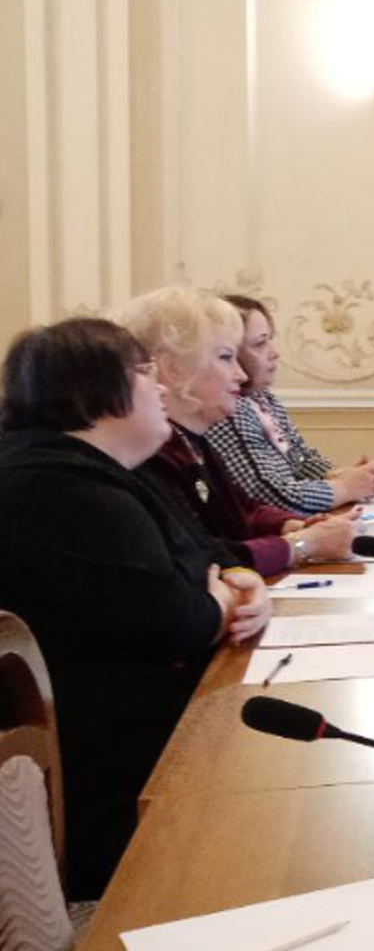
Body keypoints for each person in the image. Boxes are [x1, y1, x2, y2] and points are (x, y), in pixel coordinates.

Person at [0, 319, 271, 897]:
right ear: (97, 390)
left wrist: (243, 581)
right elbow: (181, 622)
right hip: (111, 790)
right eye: (145, 373)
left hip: (147, 743)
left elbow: (214, 554)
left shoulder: (105, 470)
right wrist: (221, 598)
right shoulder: (54, 486)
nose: (160, 388)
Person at [116, 288, 356, 576]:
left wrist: (291, 525)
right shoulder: (150, 454)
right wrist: (301, 545)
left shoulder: (191, 441)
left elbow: (241, 510)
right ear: (174, 369)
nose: (241, 376)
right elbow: (200, 557)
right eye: (226, 357)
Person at [203, 294, 374, 515]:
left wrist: (339, 475)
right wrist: (344, 488)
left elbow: (300, 459)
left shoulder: (264, 399)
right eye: (260, 343)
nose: (274, 353)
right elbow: (268, 496)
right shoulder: (229, 411)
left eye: (269, 340)